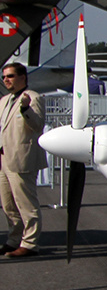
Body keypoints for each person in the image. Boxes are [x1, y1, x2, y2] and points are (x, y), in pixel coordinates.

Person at [0, 63, 46, 257]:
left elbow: (37, 125)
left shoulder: (33, 98)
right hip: (4, 159)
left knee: (26, 204)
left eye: (10, 76)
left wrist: (26, 109)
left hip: (21, 159)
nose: (6, 80)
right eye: (4, 77)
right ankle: (13, 239)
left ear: (22, 77)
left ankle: (30, 243)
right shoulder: (3, 101)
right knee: (8, 204)